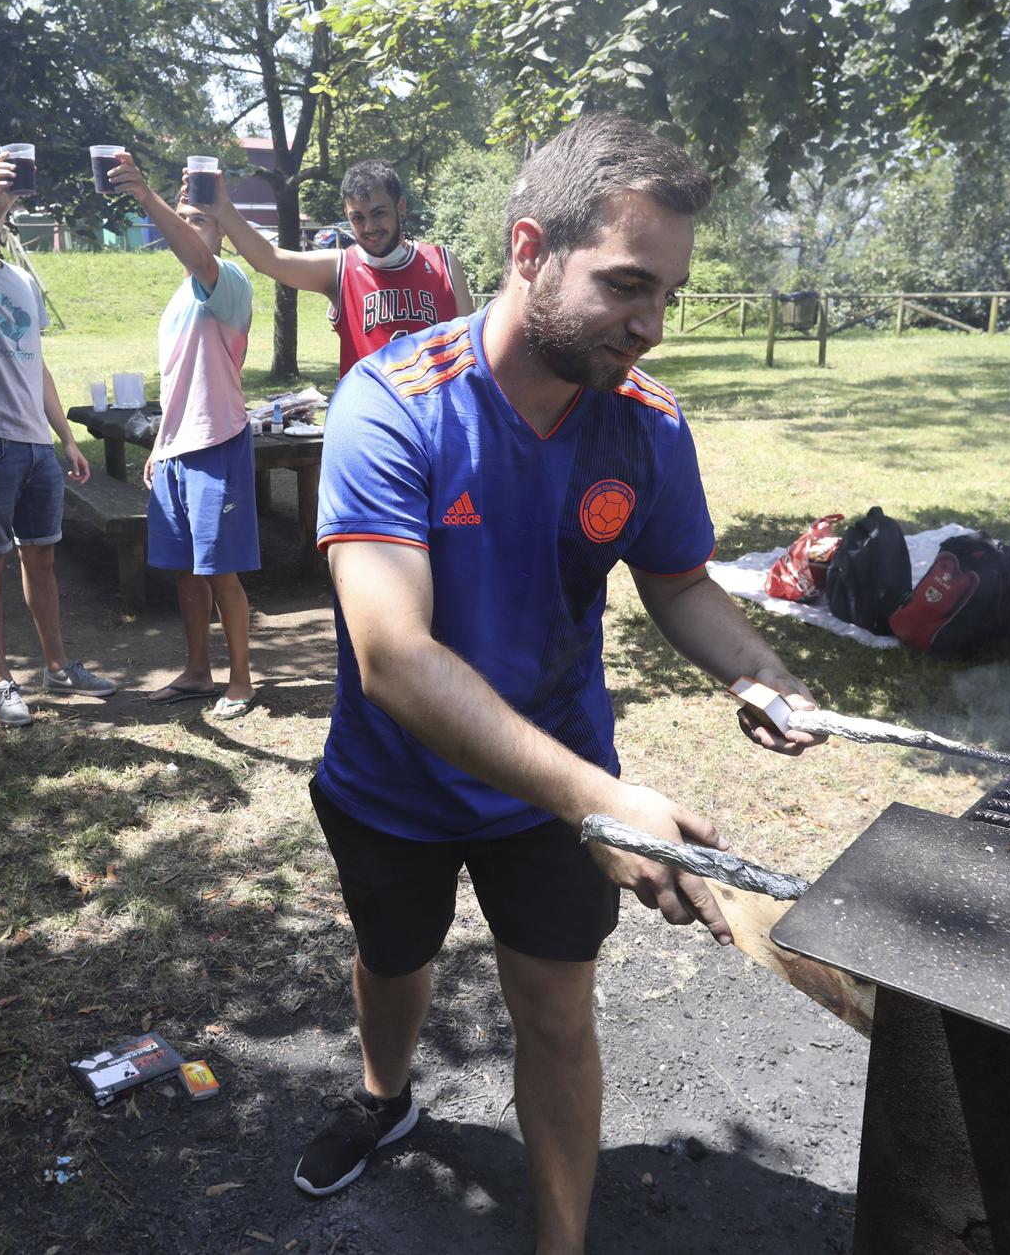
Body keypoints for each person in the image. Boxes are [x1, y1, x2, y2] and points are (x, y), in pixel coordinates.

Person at [297, 113, 825, 1254]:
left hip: (557, 783)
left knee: (554, 1009)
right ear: (529, 249)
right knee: (393, 964)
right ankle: (385, 1101)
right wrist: (599, 801)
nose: (649, 323)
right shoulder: (390, 402)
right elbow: (391, 654)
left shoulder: (645, 423)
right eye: (627, 284)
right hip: (395, 784)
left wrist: (758, 669)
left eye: (668, 295)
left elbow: (678, 584)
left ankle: (560, 1244)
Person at [0, 155, 118, 728]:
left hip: (36, 445)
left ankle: (57, 667)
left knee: (42, 560)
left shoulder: (21, 281)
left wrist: (66, 437)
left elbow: (36, 365)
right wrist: (3, 202)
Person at [107, 152, 258, 718]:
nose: (187, 226)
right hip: (175, 450)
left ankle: (240, 680)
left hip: (217, 442)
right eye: (183, 216)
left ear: (223, 228)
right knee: (186, 572)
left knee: (221, 569)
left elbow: (198, 257)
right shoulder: (178, 299)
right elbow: (176, 383)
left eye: (198, 217)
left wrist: (146, 196)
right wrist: (158, 448)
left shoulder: (229, 281)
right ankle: (198, 671)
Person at [209, 159, 474, 377]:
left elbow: (471, 355)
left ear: (400, 206)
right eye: (357, 218)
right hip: (374, 428)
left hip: (437, 427)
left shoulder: (444, 263)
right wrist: (221, 207)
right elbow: (269, 259)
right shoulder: (341, 267)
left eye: (378, 213)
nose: (369, 228)